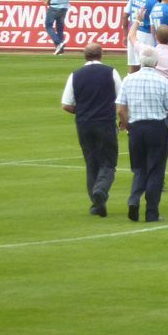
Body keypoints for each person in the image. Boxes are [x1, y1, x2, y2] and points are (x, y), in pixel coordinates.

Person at [116, 47, 168, 222]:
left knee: (139, 169)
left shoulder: (128, 80)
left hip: (136, 128)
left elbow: (121, 109)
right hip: (157, 128)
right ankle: (151, 211)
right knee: (155, 171)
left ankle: (134, 198)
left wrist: (129, 125)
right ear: (156, 63)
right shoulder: (163, 82)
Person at [61, 43, 123, 217]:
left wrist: (81, 111)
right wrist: (123, 119)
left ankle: (96, 203)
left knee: (91, 162)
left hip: (84, 124)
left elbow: (66, 104)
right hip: (105, 122)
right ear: (101, 55)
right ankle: (100, 190)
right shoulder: (111, 72)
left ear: (85, 56)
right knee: (108, 162)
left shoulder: (76, 75)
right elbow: (121, 98)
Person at [124, 0, 160, 73]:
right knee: (146, 65)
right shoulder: (154, 3)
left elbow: (125, 15)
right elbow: (154, 24)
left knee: (133, 64)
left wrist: (125, 34)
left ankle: (130, 85)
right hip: (146, 35)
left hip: (133, 33)